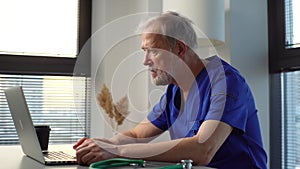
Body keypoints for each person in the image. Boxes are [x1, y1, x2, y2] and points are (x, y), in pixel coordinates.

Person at [73, 11, 268, 169]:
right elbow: (138, 135)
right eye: (145, 52)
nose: (145, 61)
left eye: (154, 51)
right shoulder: (174, 91)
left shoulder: (226, 82)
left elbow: (203, 149)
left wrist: (116, 151)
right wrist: (104, 144)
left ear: (180, 49)